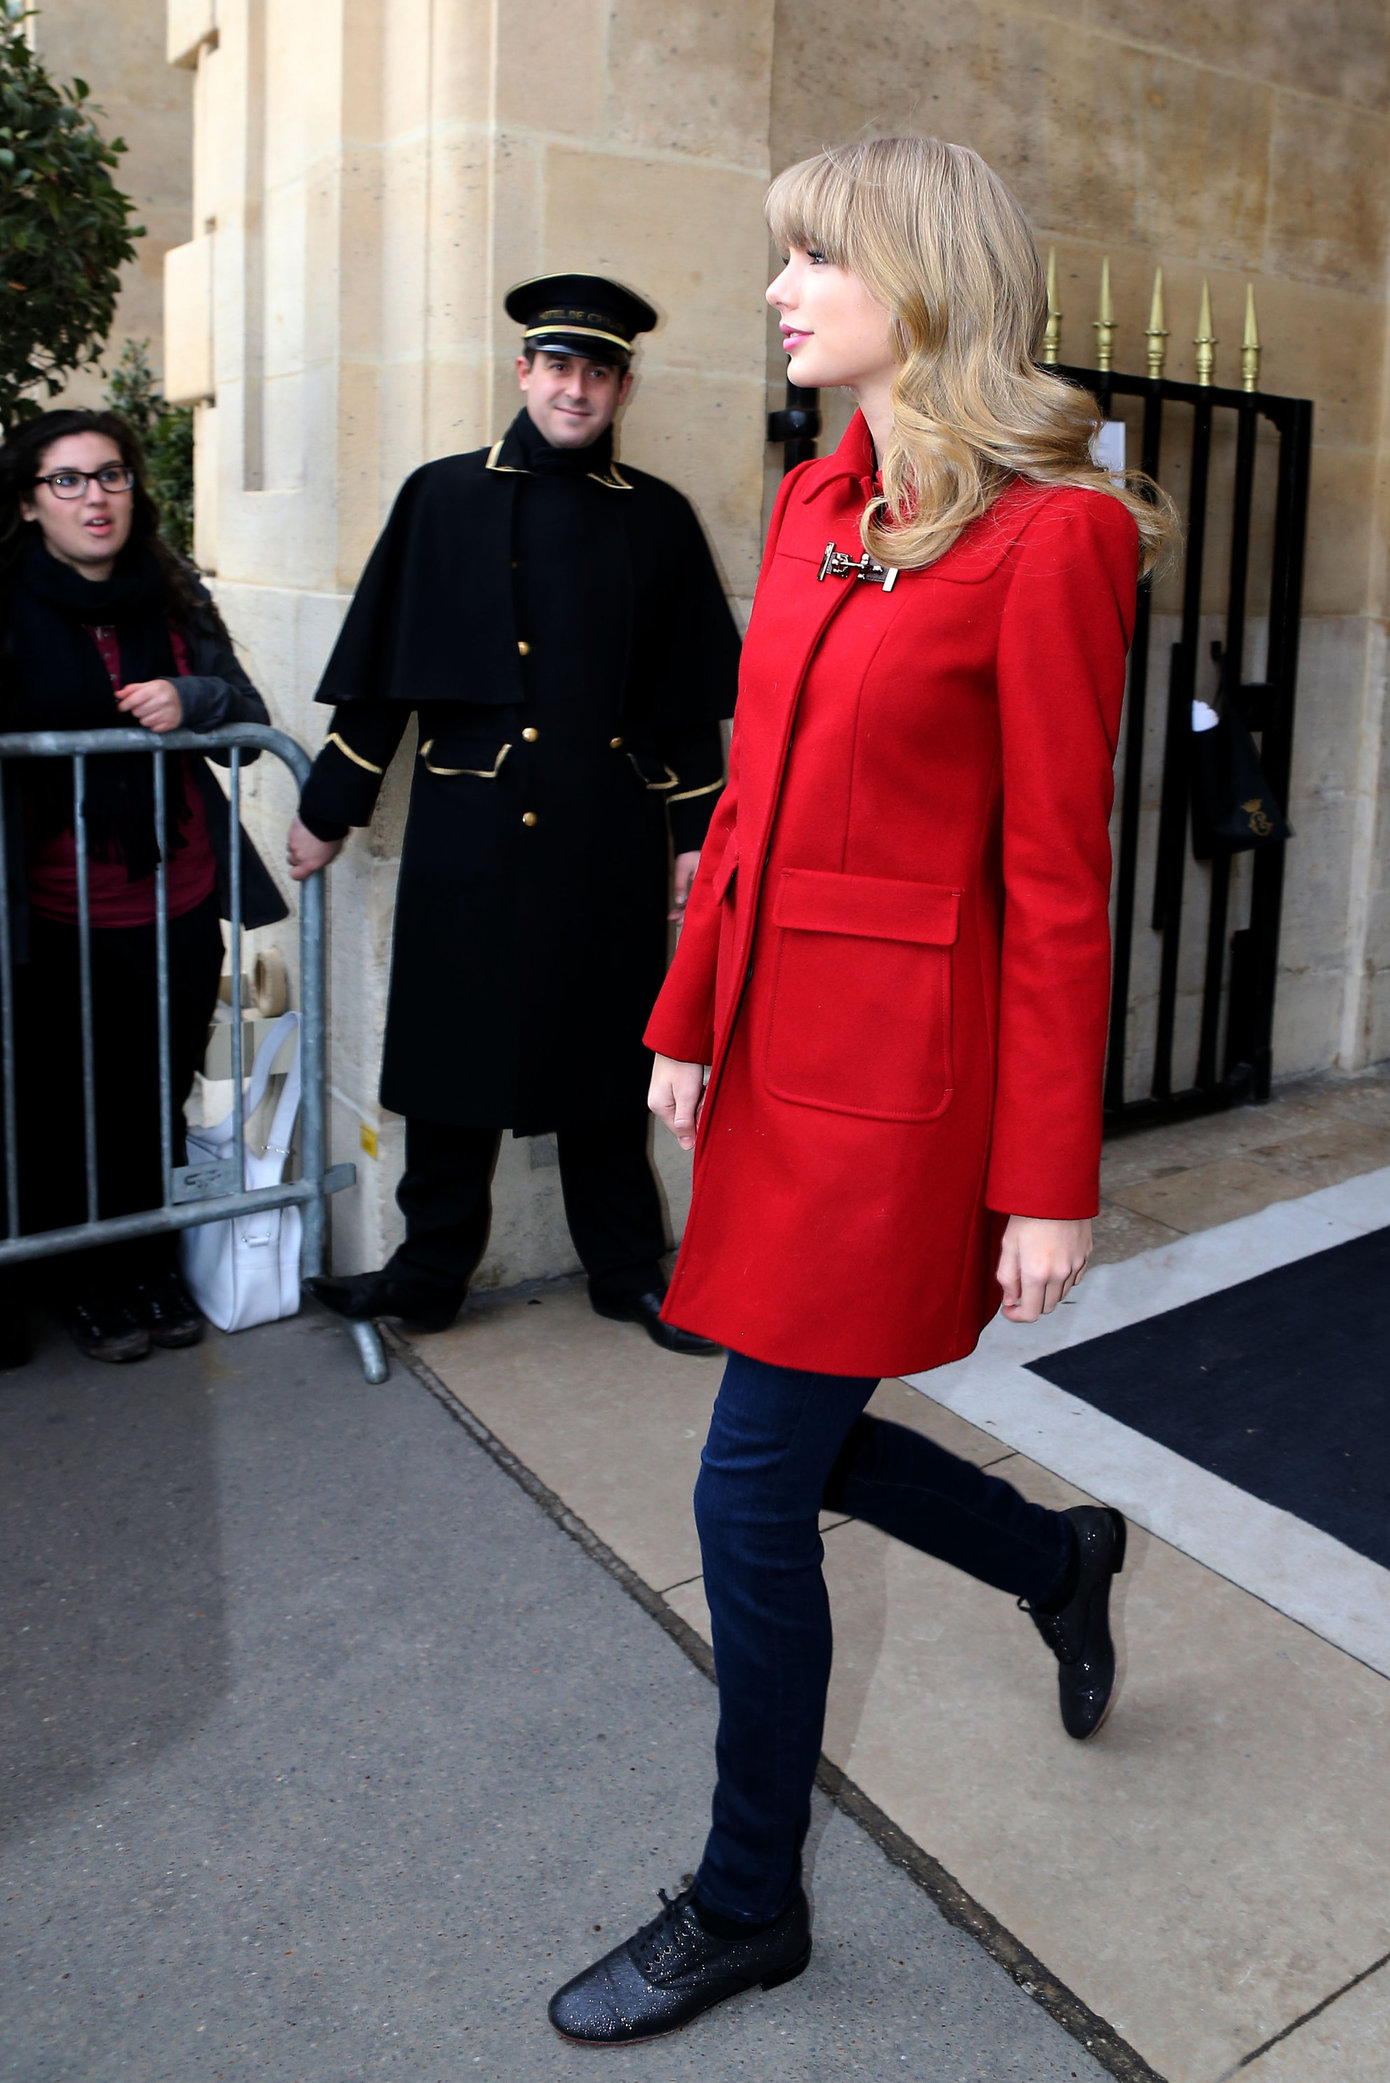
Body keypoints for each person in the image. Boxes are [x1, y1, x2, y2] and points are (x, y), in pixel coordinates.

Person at [547, 137, 1179, 2044]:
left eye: (813, 254)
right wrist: (687, 1010)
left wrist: (1049, 1176)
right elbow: (749, 800)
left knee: (747, 1485)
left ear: (920, 273)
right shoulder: (827, 496)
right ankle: (1055, 1551)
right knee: (794, 1447)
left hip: (902, 1091)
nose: (779, 288)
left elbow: (1062, 879)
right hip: (775, 1058)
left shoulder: (1060, 535)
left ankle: (749, 1902)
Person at [289, 274, 738, 1354]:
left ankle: (628, 1272)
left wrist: (695, 838)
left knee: (605, 1064)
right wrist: (329, 807)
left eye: (596, 371)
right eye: (556, 366)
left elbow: (687, 705)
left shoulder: (661, 518)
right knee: (450, 1060)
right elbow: (378, 684)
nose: (573, 388)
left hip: (605, 833)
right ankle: (427, 1274)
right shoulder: (441, 497)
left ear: (623, 387)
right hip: (470, 836)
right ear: (522, 370)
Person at [0, 409, 286, 1366]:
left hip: (179, 895)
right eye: (69, 480)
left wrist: (190, 698)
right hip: (55, 910)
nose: (96, 497)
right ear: (32, 500)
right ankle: (85, 1276)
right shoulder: (7, 597)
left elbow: (246, 708)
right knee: (67, 1099)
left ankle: (151, 1263)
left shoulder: (171, 589)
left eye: (112, 475)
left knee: (156, 1093)